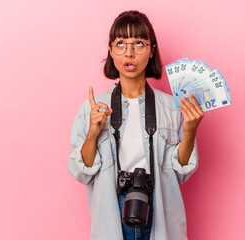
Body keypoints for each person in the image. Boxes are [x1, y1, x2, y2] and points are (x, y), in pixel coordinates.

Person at [68, 10, 204, 240]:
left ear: (152, 50)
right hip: (112, 211)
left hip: (159, 209)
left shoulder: (172, 107)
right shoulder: (94, 108)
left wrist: (190, 132)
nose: (129, 53)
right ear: (111, 50)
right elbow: (83, 174)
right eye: (120, 44)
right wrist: (93, 133)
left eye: (139, 43)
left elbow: (181, 173)